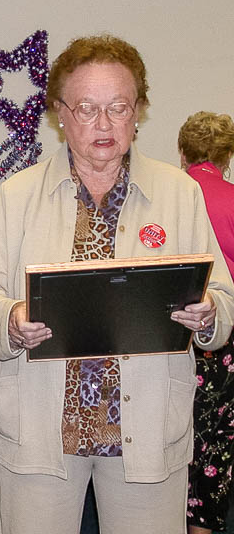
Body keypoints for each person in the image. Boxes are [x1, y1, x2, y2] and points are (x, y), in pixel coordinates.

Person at [0, 34, 234, 534]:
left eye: (119, 107)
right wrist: (10, 321)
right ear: (60, 114)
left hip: (147, 429)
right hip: (38, 427)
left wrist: (211, 311)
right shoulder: (17, 196)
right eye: (86, 108)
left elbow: (226, 298)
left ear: (139, 111)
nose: (104, 124)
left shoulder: (181, 194)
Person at [178, 111, 234, 534]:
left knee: (175, 430)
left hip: (171, 334)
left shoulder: (173, 199)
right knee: (216, 441)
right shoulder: (231, 199)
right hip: (223, 339)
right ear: (227, 156)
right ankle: (203, 526)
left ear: (182, 152)